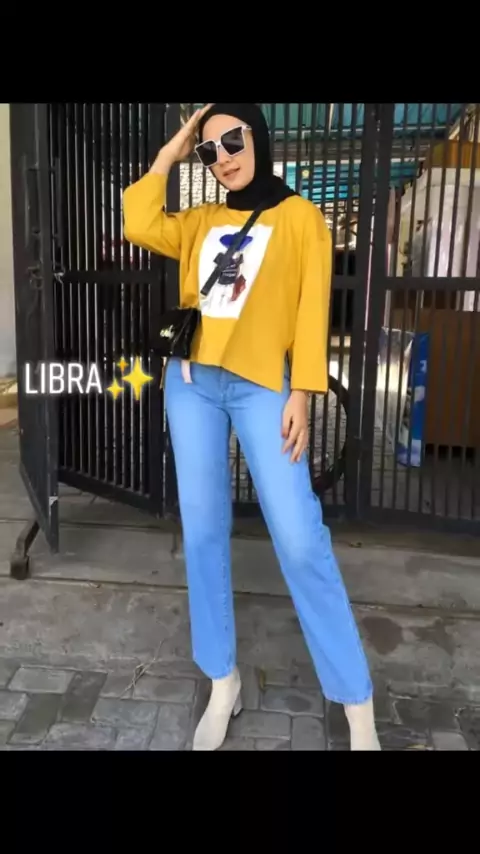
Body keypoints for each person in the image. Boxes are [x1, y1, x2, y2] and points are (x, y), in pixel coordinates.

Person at [122, 103, 381, 751]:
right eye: (209, 150)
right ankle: (223, 680)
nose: (223, 158)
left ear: (258, 137)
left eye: (232, 141)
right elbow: (138, 220)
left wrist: (304, 390)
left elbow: (313, 308)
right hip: (191, 385)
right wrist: (171, 152)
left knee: (298, 535)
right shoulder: (201, 220)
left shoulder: (301, 218)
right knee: (203, 529)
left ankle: (357, 702)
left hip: (264, 384)